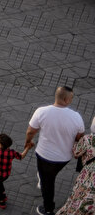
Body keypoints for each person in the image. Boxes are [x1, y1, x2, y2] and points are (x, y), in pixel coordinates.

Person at [25, 86, 87, 215]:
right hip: (64, 158)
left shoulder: (41, 112)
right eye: (71, 98)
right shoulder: (76, 117)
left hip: (43, 155)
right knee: (49, 176)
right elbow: (79, 137)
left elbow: (30, 131)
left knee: (48, 182)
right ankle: (44, 178)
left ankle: (48, 209)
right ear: (66, 99)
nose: (71, 100)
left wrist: (28, 142)